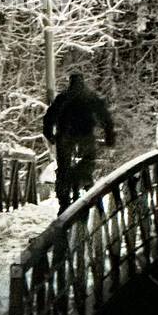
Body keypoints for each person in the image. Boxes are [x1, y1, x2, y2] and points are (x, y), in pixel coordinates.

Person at [42, 72, 115, 212]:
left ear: (70, 83)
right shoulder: (90, 97)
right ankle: (87, 185)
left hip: (65, 137)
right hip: (85, 136)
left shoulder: (62, 97)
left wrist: (49, 135)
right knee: (87, 162)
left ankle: (63, 202)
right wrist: (109, 136)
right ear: (83, 82)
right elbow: (105, 117)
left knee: (63, 168)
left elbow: (49, 117)